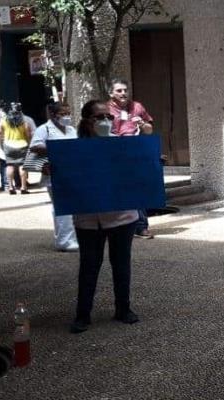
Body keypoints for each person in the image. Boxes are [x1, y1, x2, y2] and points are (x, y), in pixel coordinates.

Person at [69, 100, 140, 334]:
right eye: (99, 117)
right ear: (87, 121)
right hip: (88, 218)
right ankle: (83, 314)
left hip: (121, 216)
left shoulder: (123, 146)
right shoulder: (73, 150)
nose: (105, 122)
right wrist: (56, 168)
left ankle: (123, 309)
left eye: (109, 117)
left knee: (121, 264)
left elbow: (134, 172)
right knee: (89, 265)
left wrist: (150, 162)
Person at [29, 102, 80, 252]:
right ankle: (64, 241)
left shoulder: (71, 129)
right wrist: (58, 150)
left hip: (72, 172)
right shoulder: (44, 129)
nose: (67, 117)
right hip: (54, 173)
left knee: (73, 207)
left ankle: (72, 238)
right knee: (62, 207)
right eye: (63, 114)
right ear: (53, 115)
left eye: (68, 113)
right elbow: (35, 146)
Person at [108, 78, 155, 239]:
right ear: (111, 93)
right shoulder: (106, 110)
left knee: (138, 188)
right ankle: (120, 226)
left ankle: (141, 227)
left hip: (136, 153)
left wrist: (142, 124)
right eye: (119, 90)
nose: (123, 93)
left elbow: (149, 131)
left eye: (125, 90)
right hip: (115, 154)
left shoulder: (137, 107)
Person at [0, 103, 35, 195]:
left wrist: (1, 143)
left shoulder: (3, 120)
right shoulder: (24, 121)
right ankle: (23, 187)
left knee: (9, 166)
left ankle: (11, 187)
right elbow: (28, 134)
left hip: (8, 145)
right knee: (22, 166)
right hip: (22, 145)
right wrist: (29, 144)